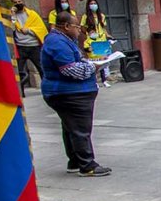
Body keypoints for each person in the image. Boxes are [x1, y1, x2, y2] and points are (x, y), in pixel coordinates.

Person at [40, 12, 110, 177]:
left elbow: (76, 62)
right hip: (69, 93)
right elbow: (70, 69)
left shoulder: (63, 40)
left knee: (70, 127)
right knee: (80, 128)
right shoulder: (57, 42)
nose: (79, 30)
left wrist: (90, 62)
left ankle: (75, 161)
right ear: (66, 26)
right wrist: (95, 67)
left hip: (69, 92)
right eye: (77, 27)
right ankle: (87, 165)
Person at [10, 0, 48, 94]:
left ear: (22, 1)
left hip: (34, 46)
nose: (18, 4)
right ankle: (20, 92)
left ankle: (47, 89)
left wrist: (29, 30)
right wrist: (12, 15)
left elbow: (41, 29)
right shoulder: (13, 17)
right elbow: (12, 28)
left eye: (19, 2)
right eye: (15, 3)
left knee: (42, 69)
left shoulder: (31, 14)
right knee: (20, 71)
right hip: (20, 47)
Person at [81, 0, 113, 88]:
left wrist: (108, 35)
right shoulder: (85, 16)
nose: (93, 5)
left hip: (102, 40)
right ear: (88, 5)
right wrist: (89, 34)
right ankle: (94, 81)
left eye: (95, 3)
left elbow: (103, 28)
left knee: (103, 61)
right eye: (91, 3)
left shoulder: (101, 16)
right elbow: (82, 28)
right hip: (93, 41)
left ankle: (104, 80)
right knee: (94, 62)